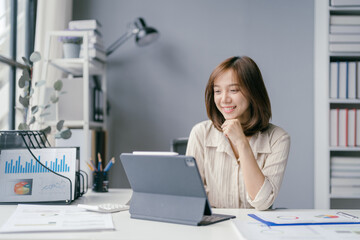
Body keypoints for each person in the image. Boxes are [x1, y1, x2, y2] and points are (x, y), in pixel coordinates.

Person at [186, 56, 290, 210]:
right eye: (217, 91)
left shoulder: (278, 138)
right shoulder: (200, 133)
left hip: (255, 228)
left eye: (233, 90)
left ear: (253, 92)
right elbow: (189, 196)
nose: (224, 99)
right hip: (213, 227)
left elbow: (262, 202)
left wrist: (241, 142)